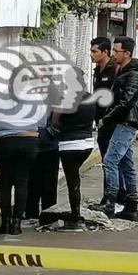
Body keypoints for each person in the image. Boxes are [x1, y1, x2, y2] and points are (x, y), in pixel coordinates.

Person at [90, 36, 138, 221]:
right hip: (120, 121)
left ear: (127, 53)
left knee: (110, 161)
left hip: (125, 122)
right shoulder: (123, 71)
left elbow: (126, 101)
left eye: (116, 51)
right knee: (125, 164)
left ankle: (111, 203)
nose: (114, 54)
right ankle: (131, 205)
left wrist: (107, 118)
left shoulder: (134, 74)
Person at [0, 73, 47, 236]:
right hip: (28, 141)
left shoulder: (0, 96)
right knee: (22, 182)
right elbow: (42, 122)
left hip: (4, 142)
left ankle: (5, 221)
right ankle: (16, 223)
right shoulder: (36, 97)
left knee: (5, 183)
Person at [52, 87, 96, 231]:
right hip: (88, 144)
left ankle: (75, 216)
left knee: (73, 181)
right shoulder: (91, 97)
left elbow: (55, 121)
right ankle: (75, 213)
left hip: (69, 144)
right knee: (75, 177)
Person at [25, 114, 60, 220]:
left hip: (33, 140)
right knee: (48, 182)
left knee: (32, 181)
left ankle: (33, 213)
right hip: (47, 142)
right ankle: (47, 214)